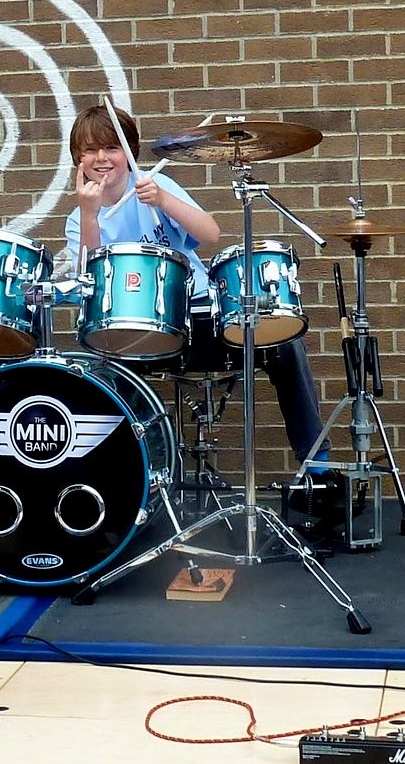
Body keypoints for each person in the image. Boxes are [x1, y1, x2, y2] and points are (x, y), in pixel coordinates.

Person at [61, 104, 333, 482]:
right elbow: (88, 282)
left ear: (130, 151)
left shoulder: (154, 184)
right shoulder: (79, 218)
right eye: (90, 150)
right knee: (103, 366)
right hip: (139, 336)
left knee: (285, 343)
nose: (101, 158)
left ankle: (318, 467)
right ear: (78, 158)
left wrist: (163, 200)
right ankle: (133, 480)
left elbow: (211, 234)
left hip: (202, 317)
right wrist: (89, 214)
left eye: (111, 147)